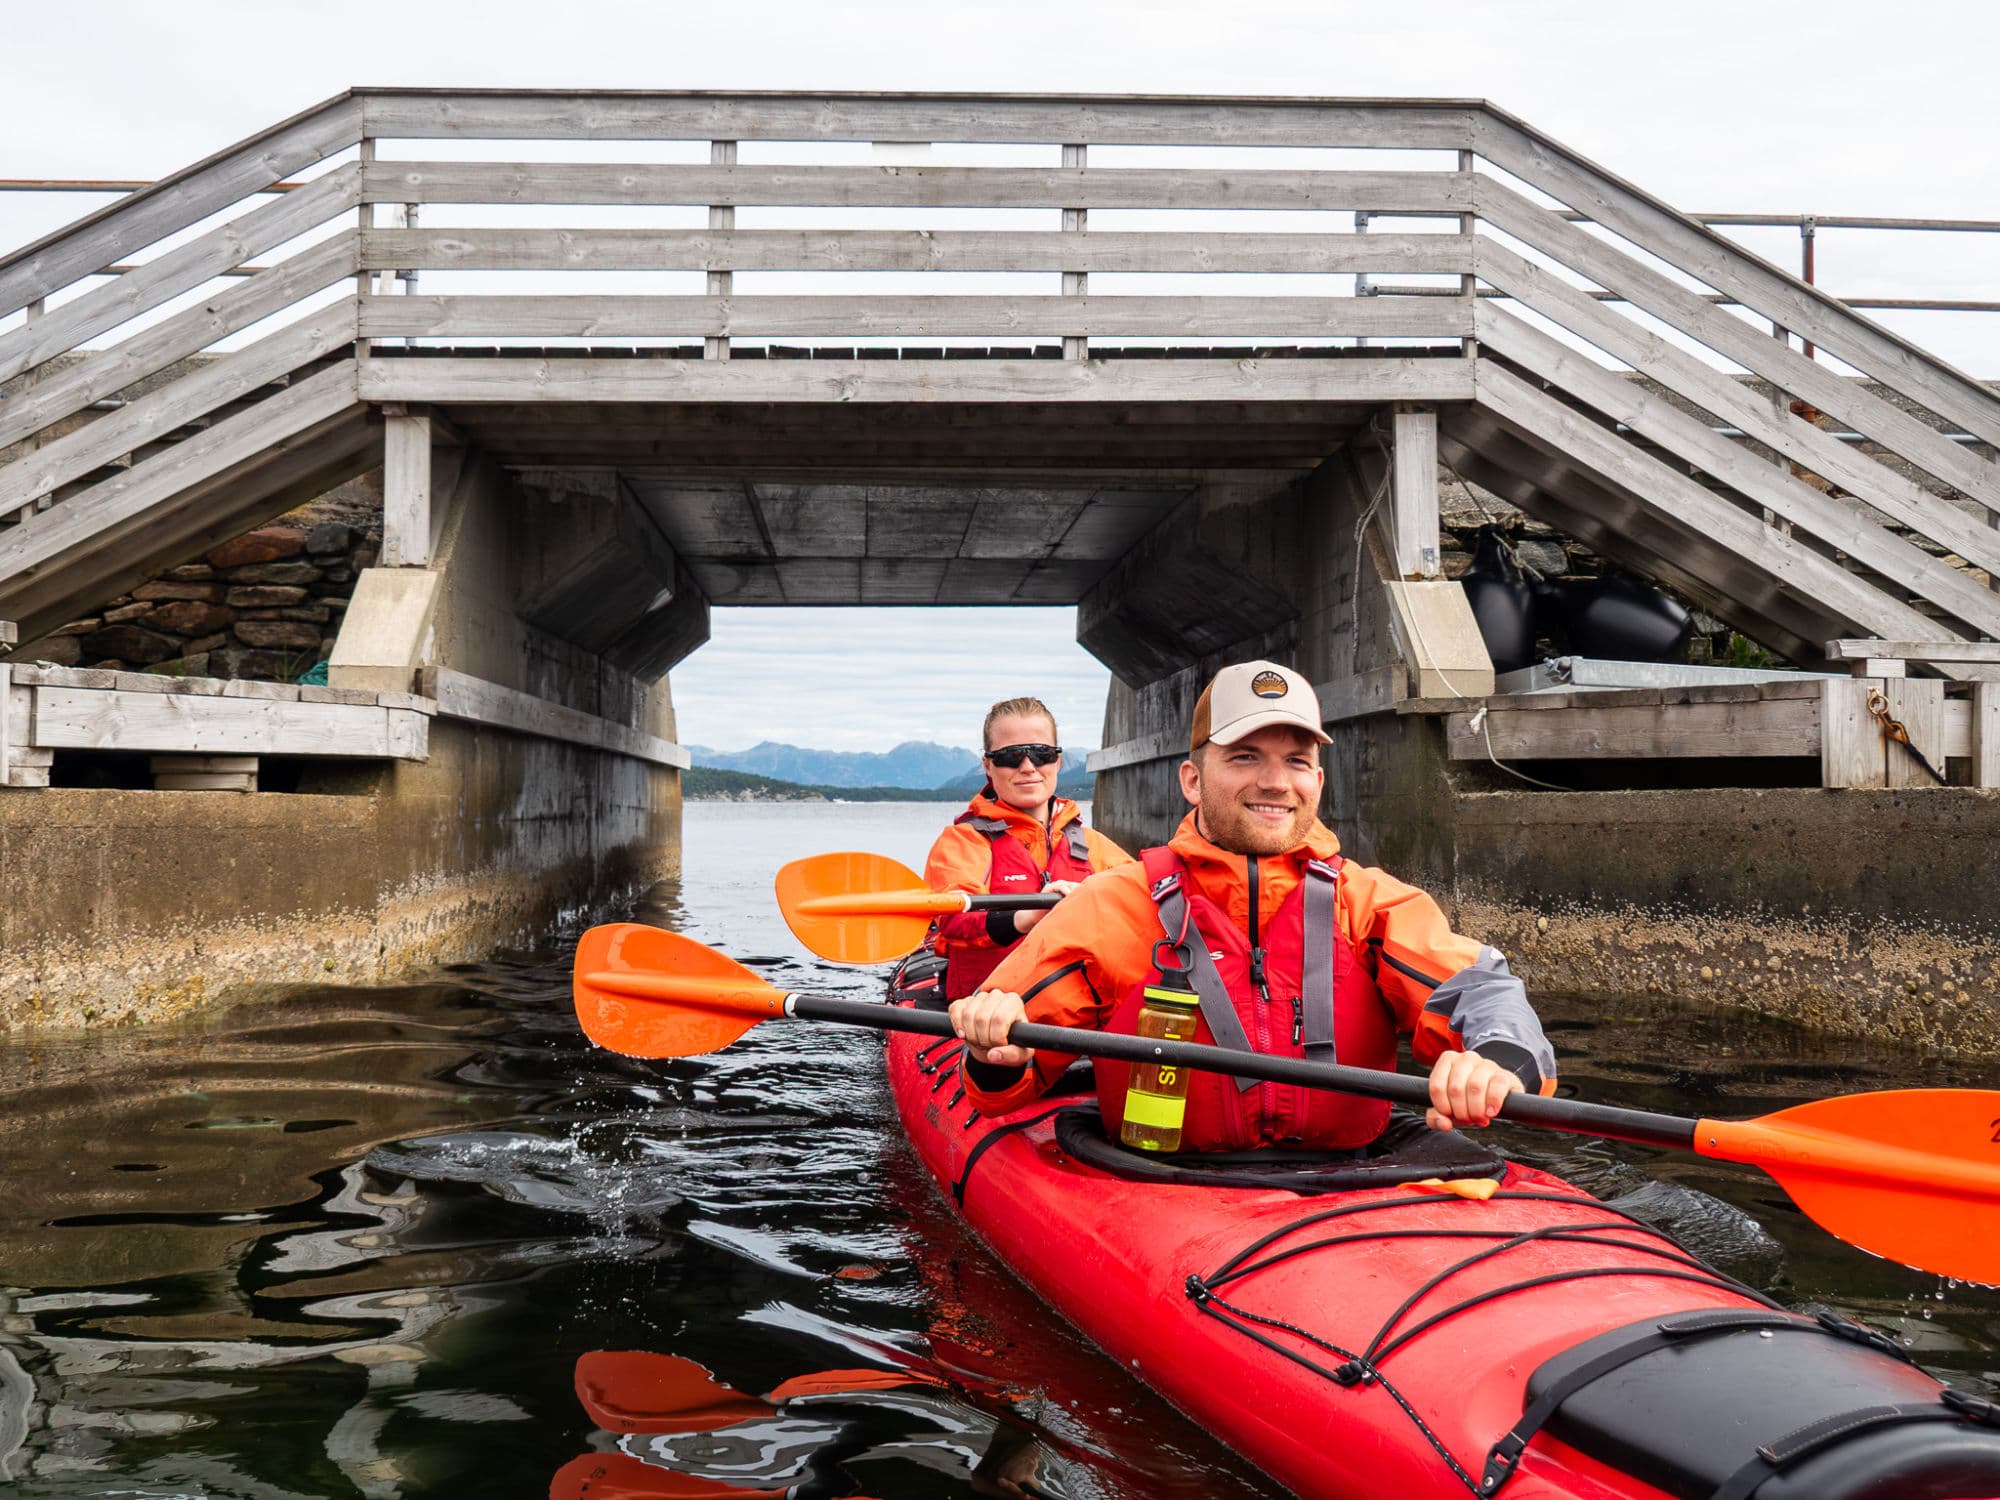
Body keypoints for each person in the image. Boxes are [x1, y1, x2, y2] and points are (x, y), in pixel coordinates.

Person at [948, 661, 1556, 1148]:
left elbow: (1482, 990)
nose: (1275, 781)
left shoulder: (1369, 902)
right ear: (1192, 779)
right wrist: (993, 1050)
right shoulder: (1113, 906)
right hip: (1161, 1187)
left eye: (1296, 761)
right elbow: (1001, 1085)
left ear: (1318, 780)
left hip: (1346, 1177)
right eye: (1244, 757)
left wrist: (1495, 1059)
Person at [924, 695, 1133, 1002]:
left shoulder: (1093, 846)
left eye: (1041, 753)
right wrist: (1026, 916)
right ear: (988, 766)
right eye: (1010, 756)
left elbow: (1146, 908)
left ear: (1057, 762)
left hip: (1080, 1017)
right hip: (985, 1013)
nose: (1027, 767)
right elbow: (954, 920)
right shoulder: (963, 842)